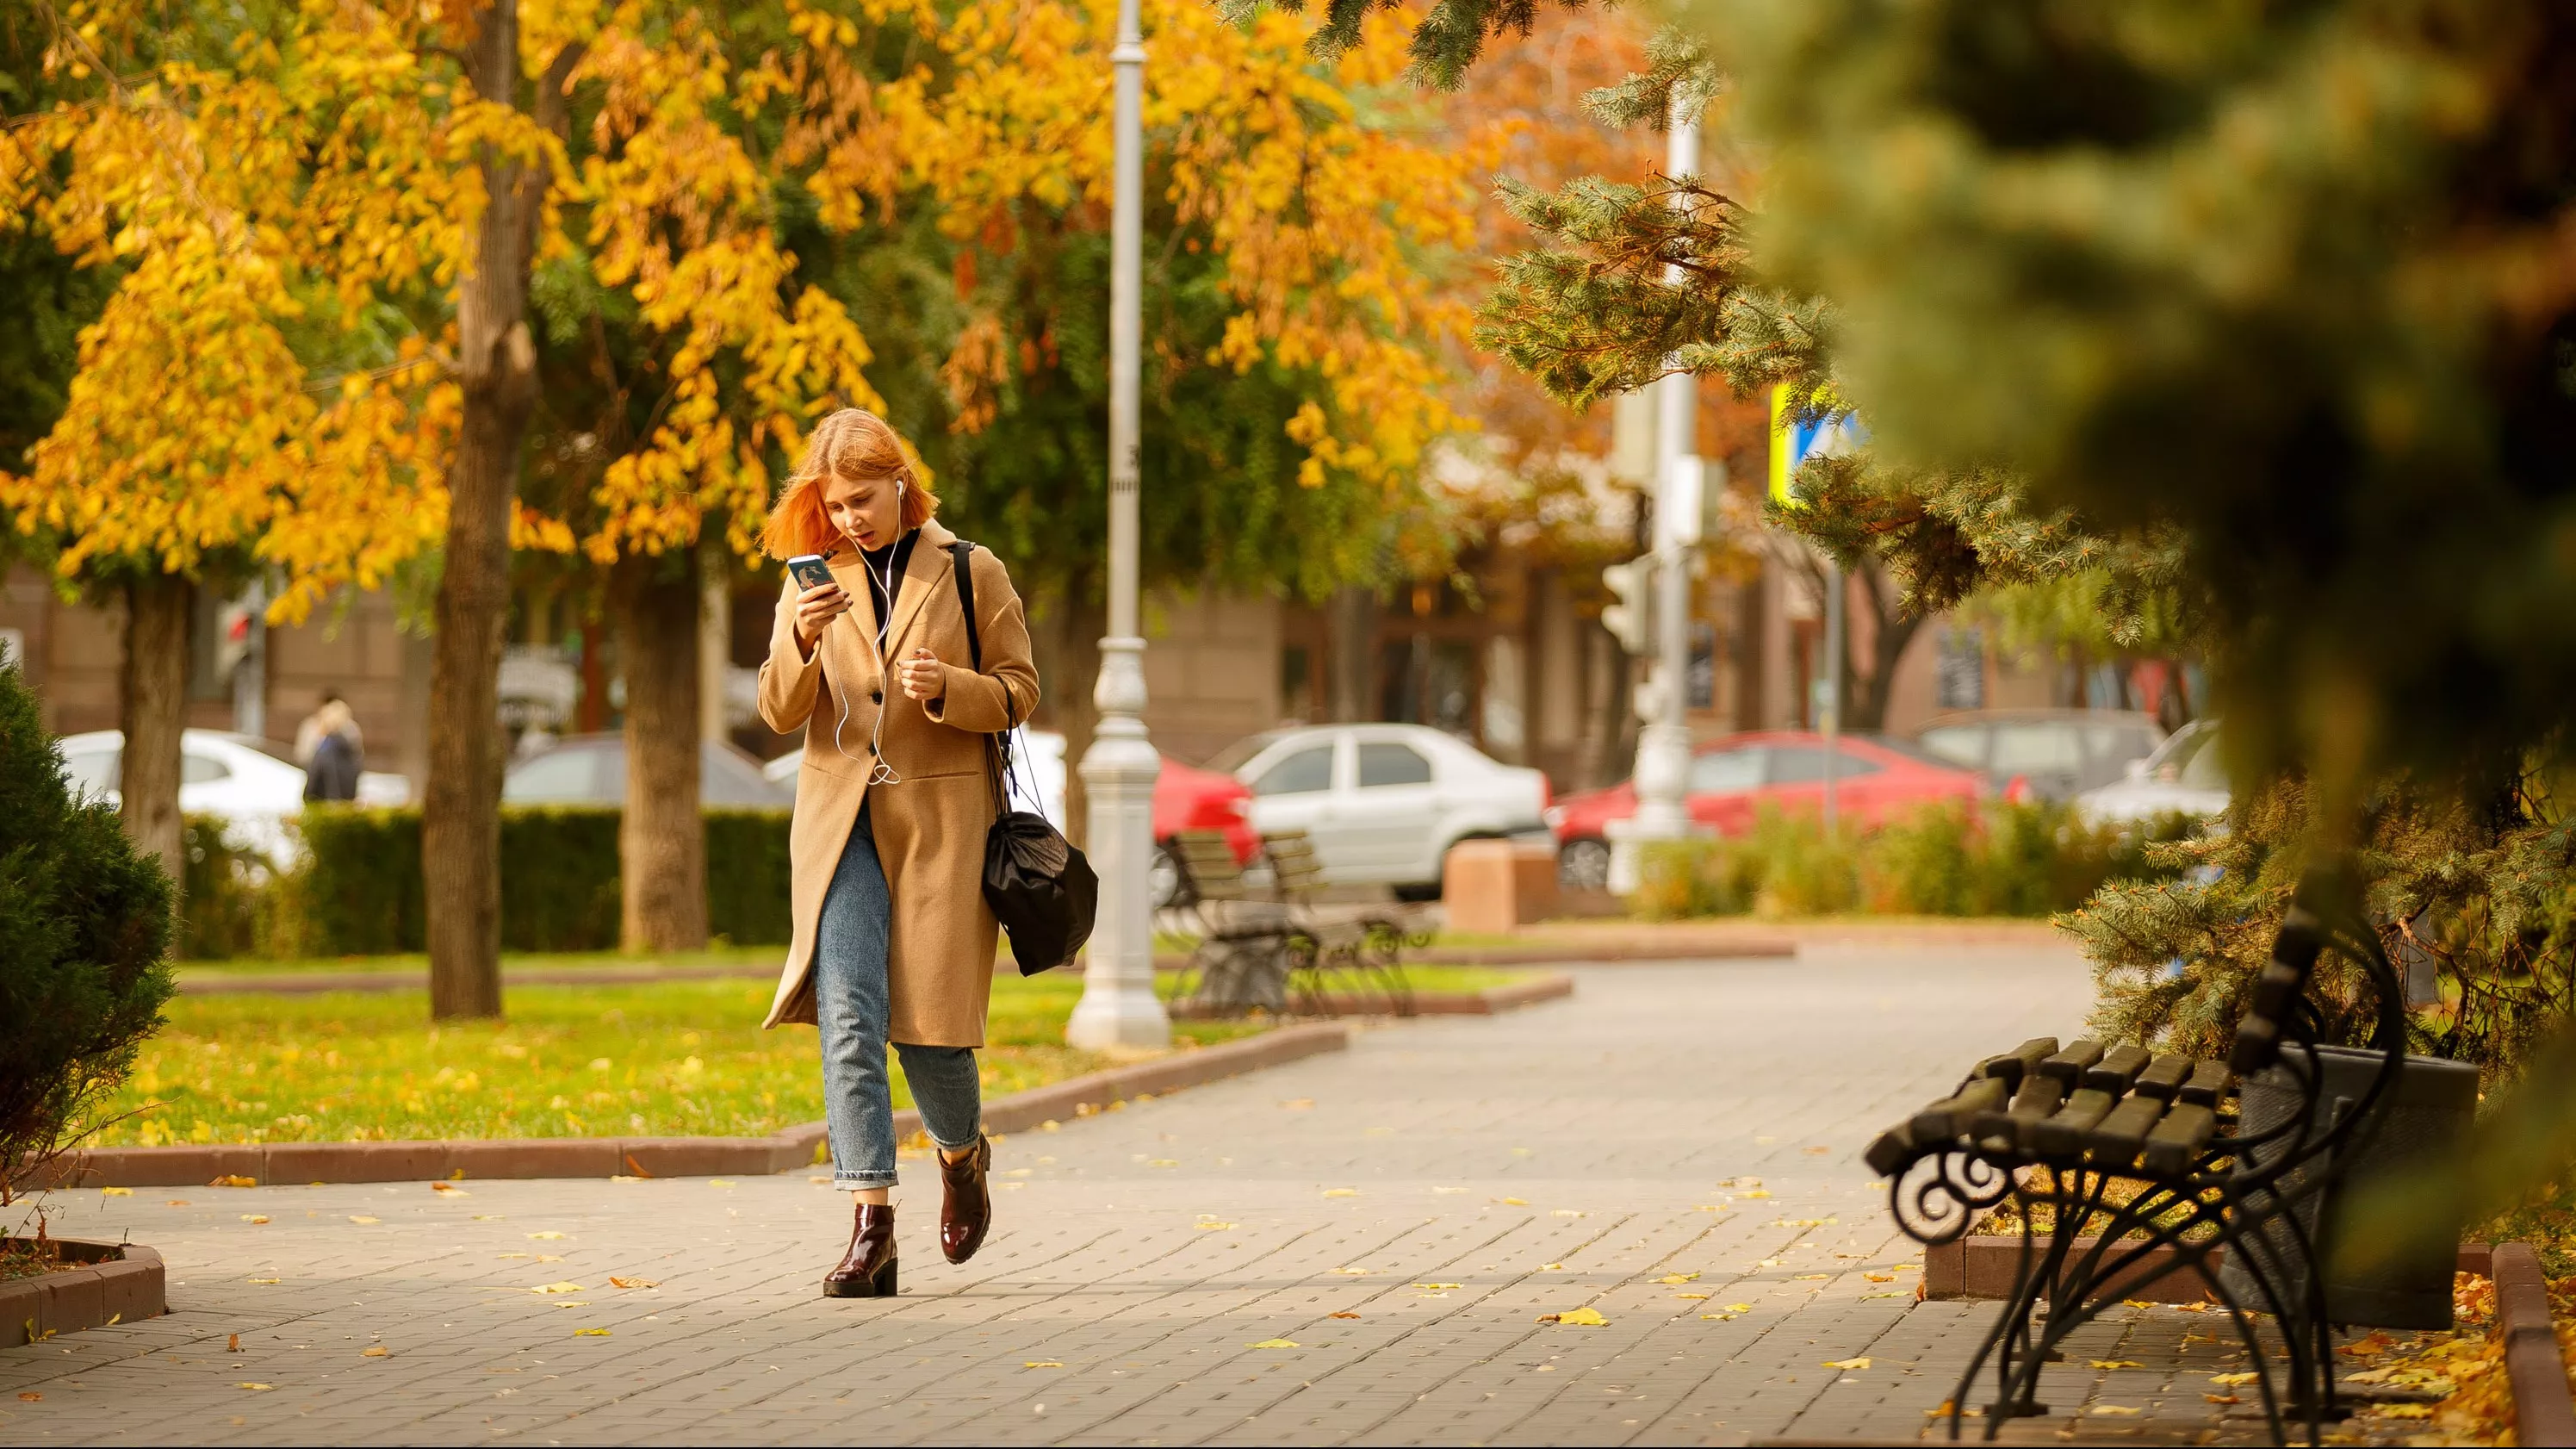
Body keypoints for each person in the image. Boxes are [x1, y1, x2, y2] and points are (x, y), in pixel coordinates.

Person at [755, 407, 1038, 1299]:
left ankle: (962, 1155)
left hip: (943, 828)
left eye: (864, 500)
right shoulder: (809, 584)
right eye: (835, 505)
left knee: (931, 1039)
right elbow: (775, 708)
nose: (850, 520)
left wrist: (951, 687)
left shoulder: (967, 569)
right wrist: (802, 636)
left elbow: (1022, 691)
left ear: (902, 485)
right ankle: (870, 1222)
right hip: (842, 825)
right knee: (848, 1021)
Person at [298, 693, 363, 803]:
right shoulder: (351, 740)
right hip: (346, 801)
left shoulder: (326, 747)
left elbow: (315, 774)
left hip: (324, 801)